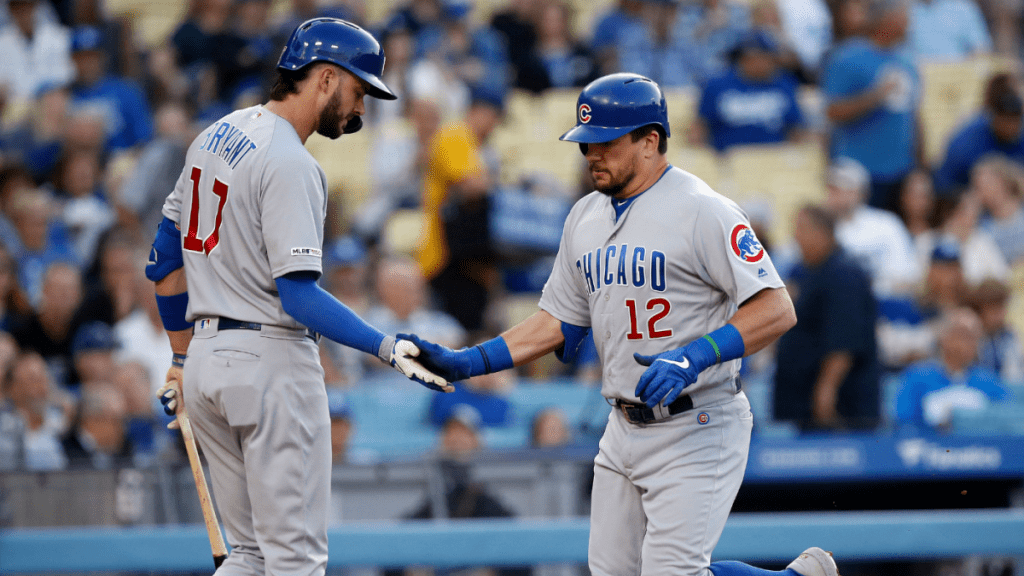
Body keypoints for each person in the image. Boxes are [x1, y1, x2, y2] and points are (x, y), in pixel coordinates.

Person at [402, 73, 840, 576]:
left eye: (606, 142)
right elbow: (555, 323)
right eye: (587, 143)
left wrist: (696, 354)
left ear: (650, 140)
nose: (592, 154)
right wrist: (467, 362)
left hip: (698, 418)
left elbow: (776, 308)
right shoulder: (584, 216)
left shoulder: (704, 210)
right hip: (622, 425)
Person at [149, 19, 450, 576]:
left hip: (209, 366)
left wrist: (181, 355)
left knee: (247, 557)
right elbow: (297, 295)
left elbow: (163, 261)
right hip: (270, 364)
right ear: (326, 78)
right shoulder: (290, 161)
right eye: (358, 91)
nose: (362, 108)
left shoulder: (213, 136)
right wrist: (386, 346)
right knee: (296, 561)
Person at [774, 205, 881, 430]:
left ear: (823, 233)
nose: (795, 237)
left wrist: (826, 391)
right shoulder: (802, 271)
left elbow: (844, 340)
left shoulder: (844, 274)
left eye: (801, 230)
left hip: (840, 405)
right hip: (800, 400)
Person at [820, 0, 921, 210]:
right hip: (858, 172)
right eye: (903, 16)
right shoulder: (847, 57)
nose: (909, 23)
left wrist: (919, 161)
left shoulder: (907, 59)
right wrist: (875, 96)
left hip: (901, 169)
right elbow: (832, 111)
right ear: (886, 19)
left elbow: (913, 114)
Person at [895, 307, 1009, 430]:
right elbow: (904, 422)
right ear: (944, 338)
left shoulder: (987, 380)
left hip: (978, 447)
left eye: (974, 337)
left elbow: (1006, 420)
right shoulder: (918, 377)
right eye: (962, 336)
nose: (969, 343)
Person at [695, 30, 805, 152]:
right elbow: (701, 127)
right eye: (749, 58)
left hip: (773, 158)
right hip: (728, 159)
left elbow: (795, 129)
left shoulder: (784, 85)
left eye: (761, 57)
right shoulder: (717, 85)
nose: (756, 63)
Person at [934, 74, 1024, 196]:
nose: (1012, 127)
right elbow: (944, 187)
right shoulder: (966, 142)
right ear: (993, 116)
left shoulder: (1020, 135)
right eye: (1007, 120)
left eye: (1015, 121)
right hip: (973, 204)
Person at [969, 279, 1024, 384]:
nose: (1000, 315)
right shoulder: (971, 336)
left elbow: (1015, 374)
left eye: (1002, 308)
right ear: (979, 310)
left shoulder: (1009, 335)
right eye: (994, 310)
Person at [906, 0, 992, 61]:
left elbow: (982, 49)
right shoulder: (905, 10)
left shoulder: (963, 8)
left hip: (958, 78)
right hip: (914, 78)